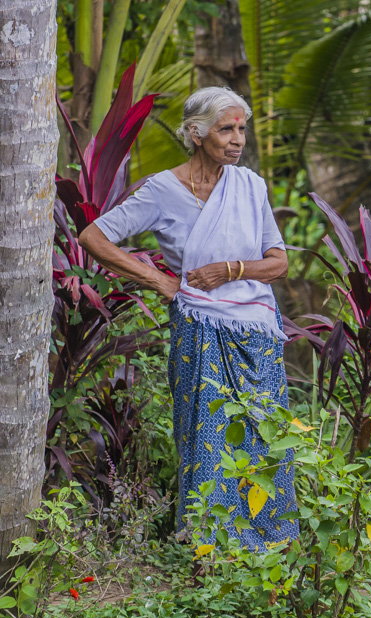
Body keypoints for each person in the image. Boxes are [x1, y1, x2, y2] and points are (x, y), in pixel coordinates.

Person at [79, 87, 298, 553]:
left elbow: (278, 263)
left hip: (255, 331)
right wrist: (158, 280)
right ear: (196, 134)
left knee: (265, 436)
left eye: (242, 128)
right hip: (197, 327)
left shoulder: (250, 186)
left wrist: (231, 269)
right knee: (205, 436)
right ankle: (208, 550)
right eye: (226, 129)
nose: (238, 139)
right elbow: (94, 236)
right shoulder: (163, 190)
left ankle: (271, 547)